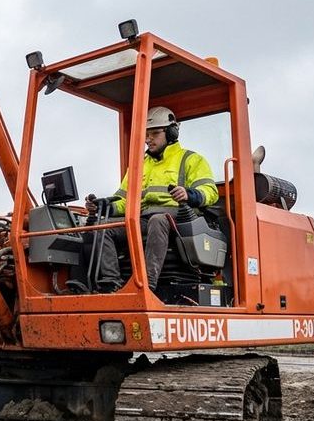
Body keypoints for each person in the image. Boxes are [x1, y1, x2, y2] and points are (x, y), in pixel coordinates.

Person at [83, 106, 218, 293]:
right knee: (104, 227)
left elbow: (210, 191)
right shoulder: (139, 166)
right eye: (147, 134)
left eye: (154, 133)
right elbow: (124, 200)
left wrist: (189, 194)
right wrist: (103, 207)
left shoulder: (192, 160)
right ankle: (111, 283)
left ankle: (146, 285)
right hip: (143, 219)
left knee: (158, 220)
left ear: (171, 133)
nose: (148, 139)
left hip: (178, 218)